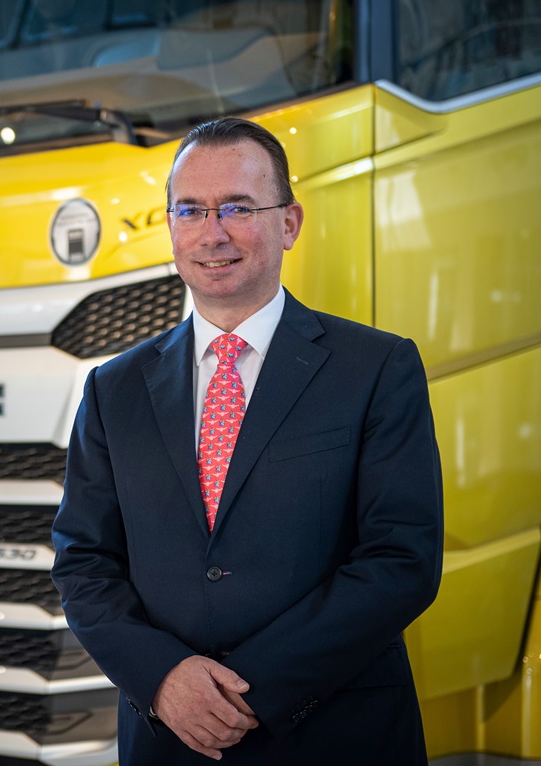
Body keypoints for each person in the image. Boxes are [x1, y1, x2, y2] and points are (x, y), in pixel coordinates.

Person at [51, 117, 443, 765]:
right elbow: (84, 563)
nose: (213, 233)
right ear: (171, 227)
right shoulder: (113, 389)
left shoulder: (377, 368)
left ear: (289, 223)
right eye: (191, 210)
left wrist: (247, 691)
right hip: (169, 738)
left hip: (334, 735)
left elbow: (401, 559)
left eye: (237, 207)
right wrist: (163, 679)